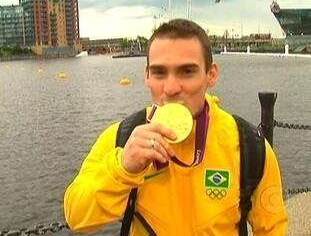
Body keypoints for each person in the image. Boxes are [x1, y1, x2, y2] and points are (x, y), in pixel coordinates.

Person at [64, 19, 288, 235]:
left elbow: (272, 228)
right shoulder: (122, 138)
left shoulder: (249, 145)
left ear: (211, 75)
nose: (170, 88)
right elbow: (77, 217)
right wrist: (123, 168)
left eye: (187, 71)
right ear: (147, 76)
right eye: (159, 72)